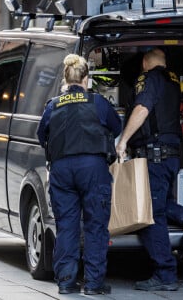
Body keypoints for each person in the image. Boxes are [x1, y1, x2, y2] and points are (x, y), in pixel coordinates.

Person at [37, 54, 122, 295]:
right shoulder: (98, 102)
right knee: (95, 226)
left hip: (62, 170)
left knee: (67, 226)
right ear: (86, 79)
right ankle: (94, 285)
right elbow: (116, 127)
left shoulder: (53, 104)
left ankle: (66, 282)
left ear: (66, 78)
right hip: (93, 169)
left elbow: (41, 136)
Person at [115, 47, 182, 292]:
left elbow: (142, 109)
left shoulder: (149, 78)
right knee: (163, 207)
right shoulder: (172, 80)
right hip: (170, 157)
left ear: (145, 62)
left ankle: (165, 273)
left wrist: (123, 140)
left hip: (155, 157)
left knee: (150, 216)